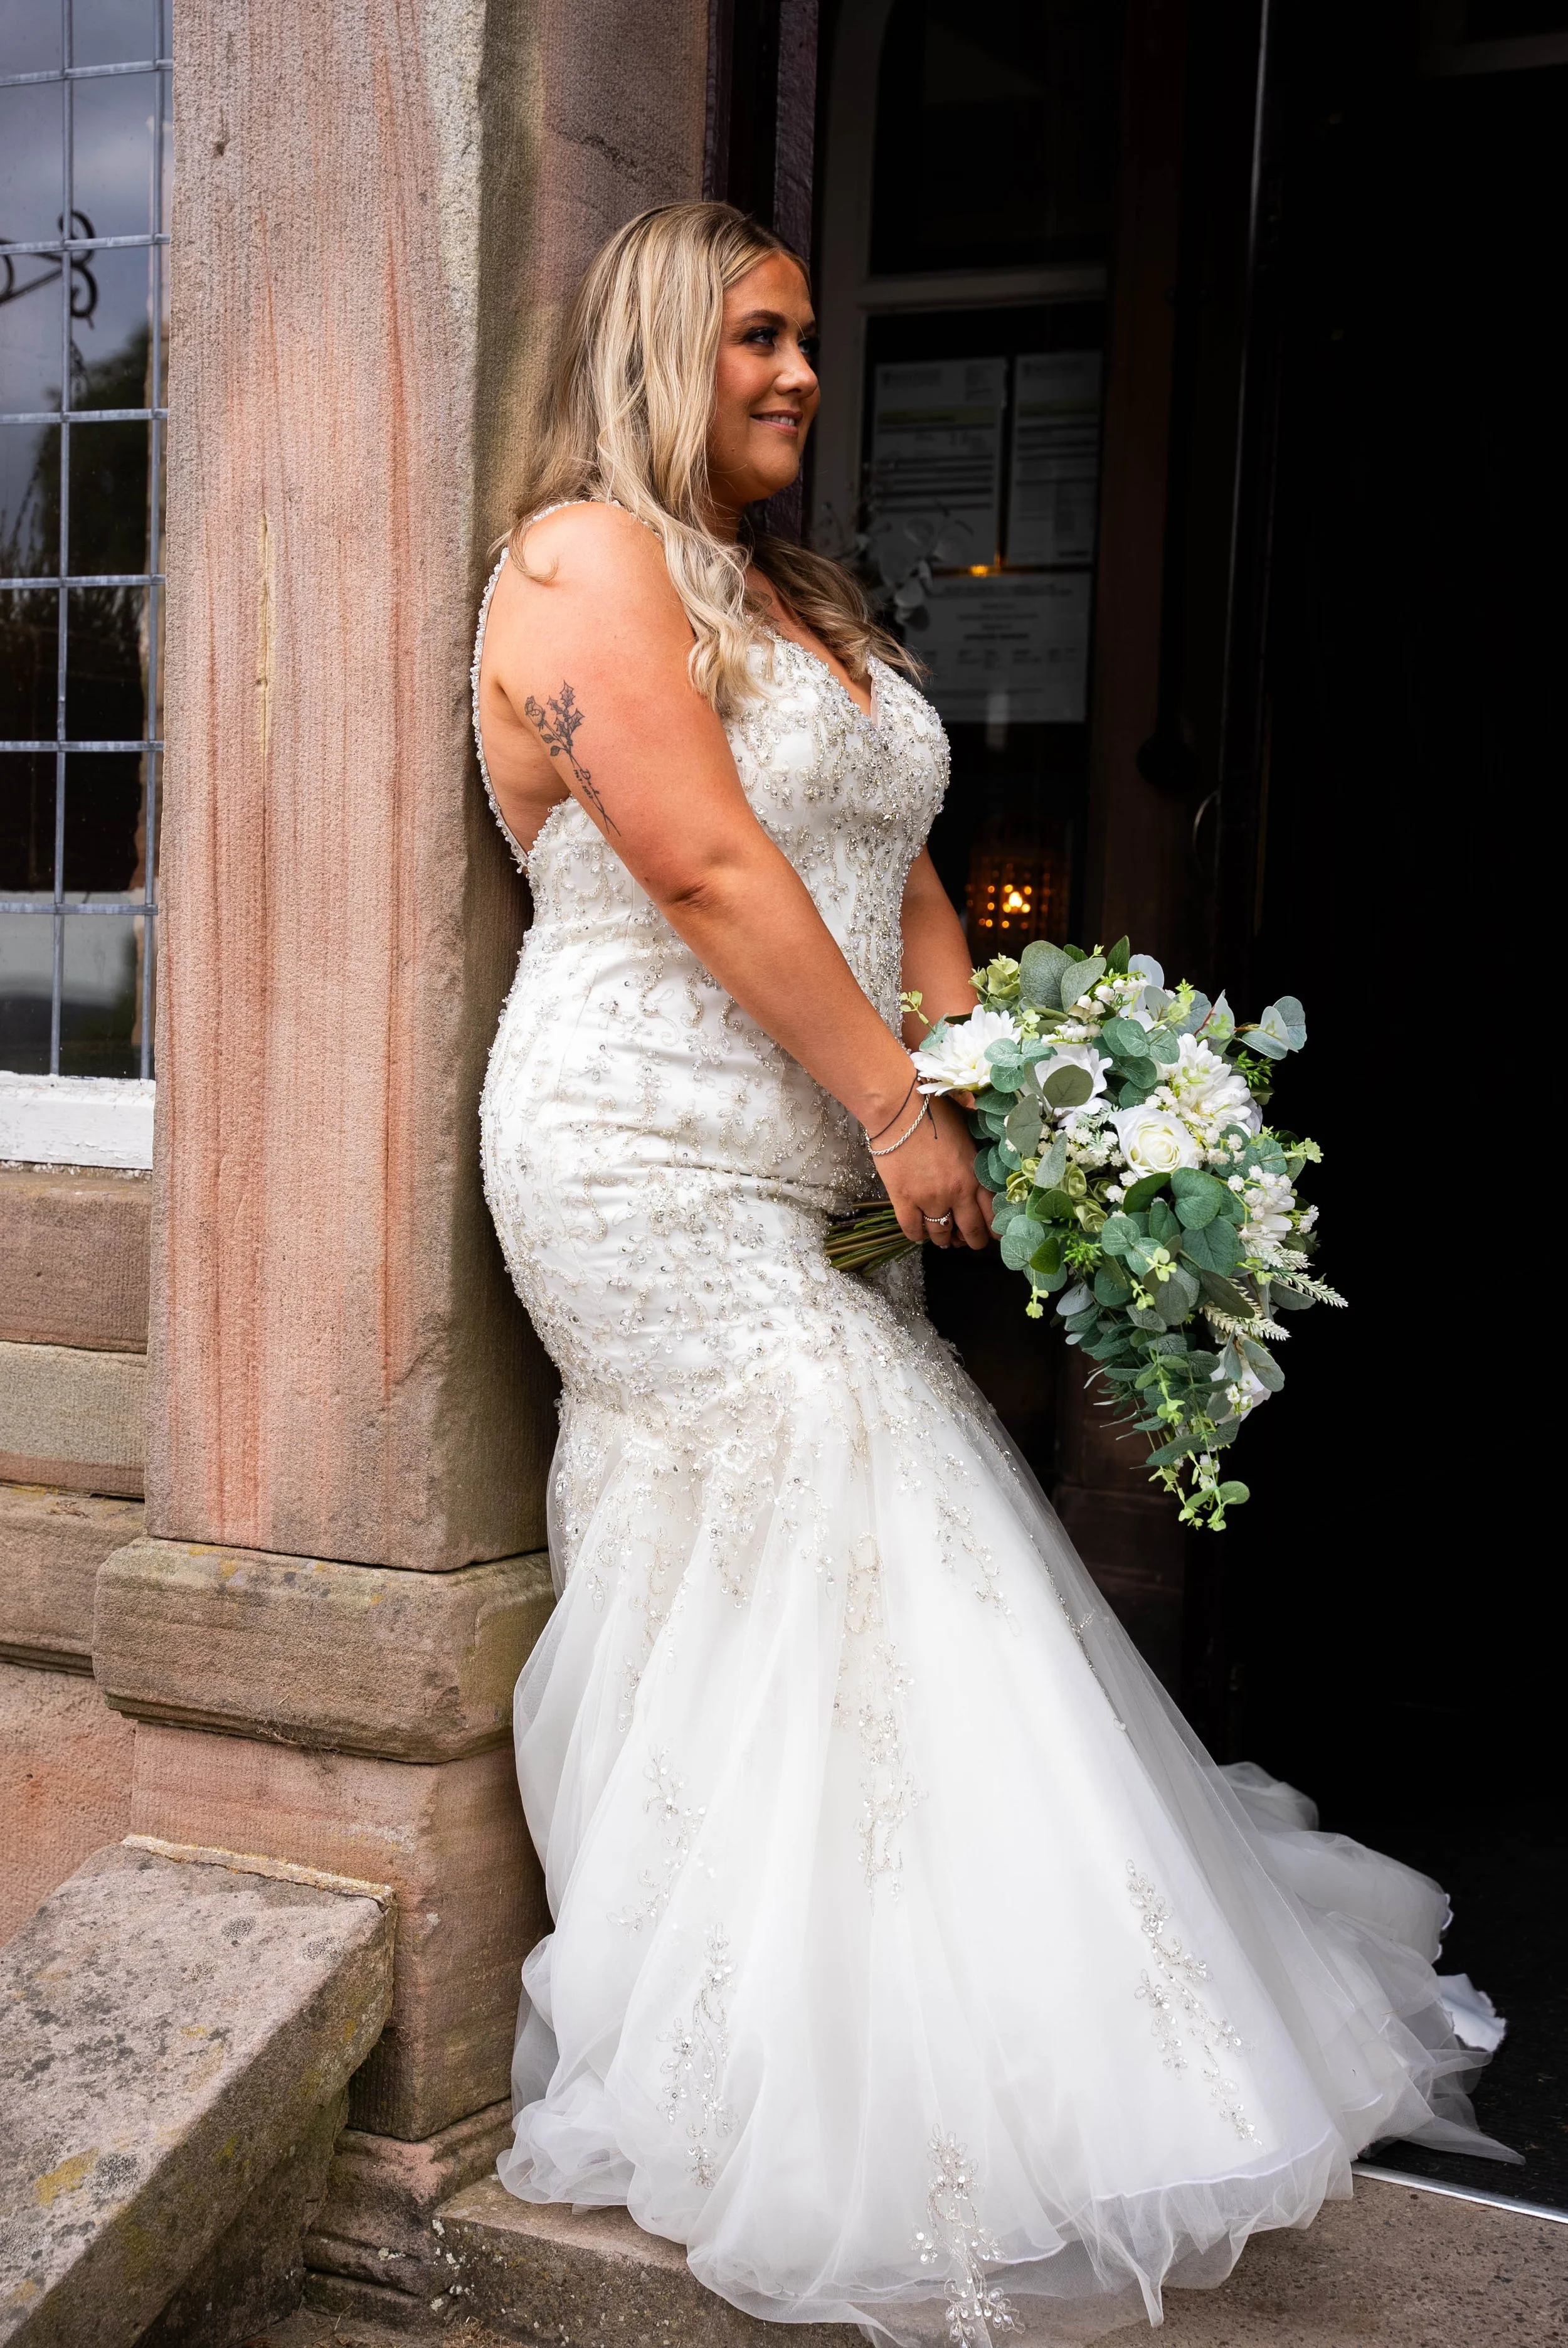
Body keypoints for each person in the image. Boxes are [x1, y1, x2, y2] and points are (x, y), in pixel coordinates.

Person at [472, 201, 1508, 2347]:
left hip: (835, 1135)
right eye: (758, 338)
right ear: (666, 346)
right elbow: (697, 857)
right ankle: (790, 2048)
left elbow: (895, 868)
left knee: (861, 1521)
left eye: (809, 344)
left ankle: (934, 1974)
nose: (798, 378)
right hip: (641, 1146)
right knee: (847, 1476)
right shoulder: (584, 561)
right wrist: (886, 1107)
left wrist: (1011, 1090)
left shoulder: (799, 600)